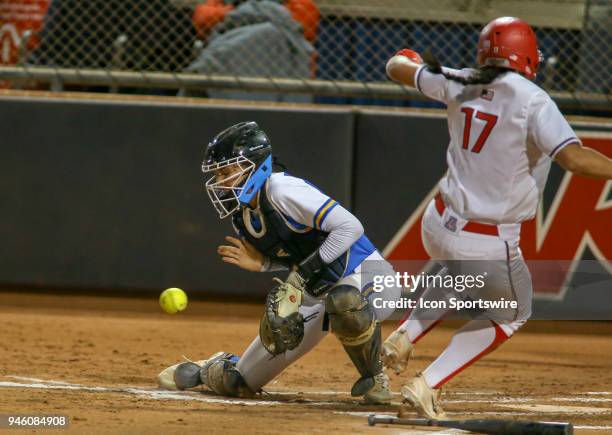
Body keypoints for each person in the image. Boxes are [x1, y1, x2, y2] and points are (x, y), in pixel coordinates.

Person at [382, 16, 612, 419]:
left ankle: (405, 335)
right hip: (488, 237)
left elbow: (395, 67)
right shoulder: (533, 100)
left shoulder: (461, 79)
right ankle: (427, 385)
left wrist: (409, 58)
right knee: (512, 313)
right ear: (526, 56)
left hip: (437, 223)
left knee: (460, 273)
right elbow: (573, 158)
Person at [157, 121, 401, 404]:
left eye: (227, 171)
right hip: (319, 295)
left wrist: (301, 275)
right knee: (237, 383)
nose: (221, 181)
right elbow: (299, 257)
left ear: (255, 165)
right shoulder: (246, 215)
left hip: (369, 277)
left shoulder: (282, 189)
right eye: (218, 174)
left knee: (345, 301)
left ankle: (375, 378)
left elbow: (350, 227)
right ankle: (210, 368)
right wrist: (265, 264)